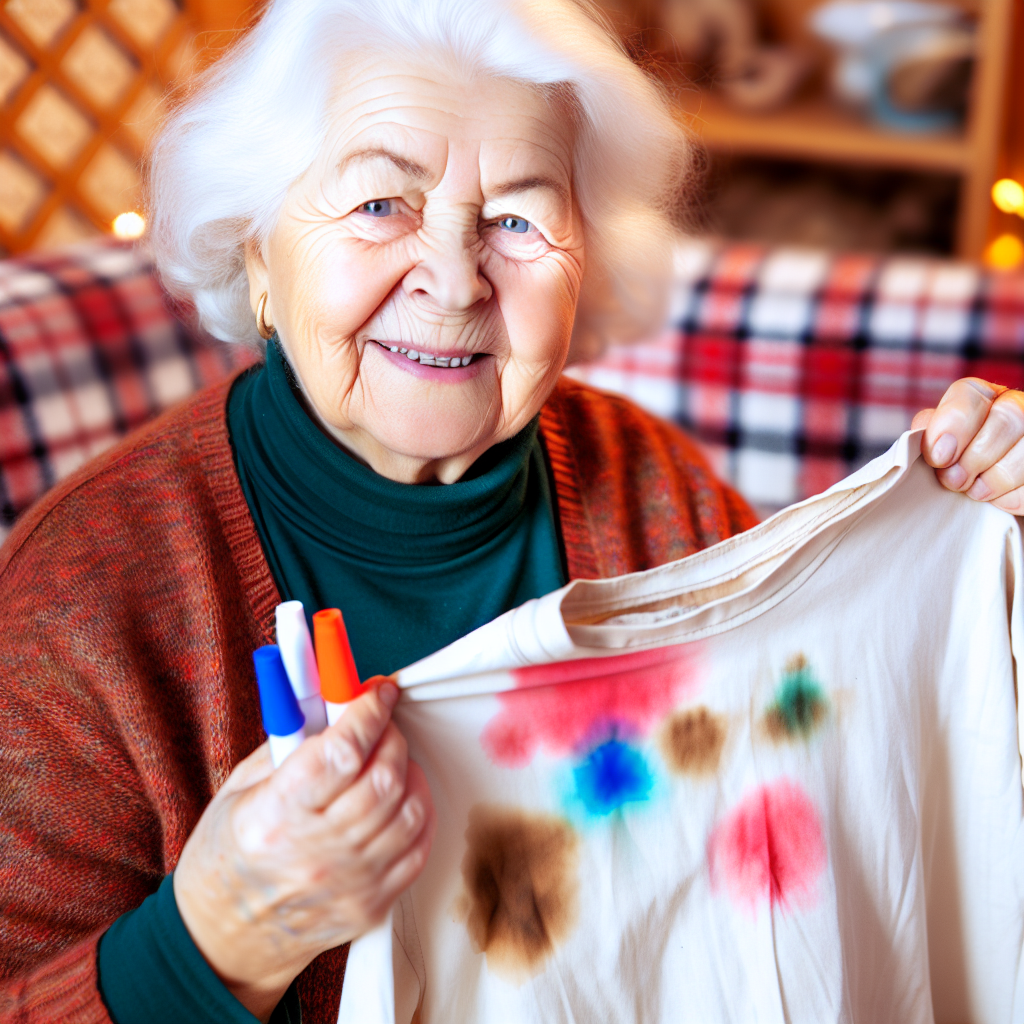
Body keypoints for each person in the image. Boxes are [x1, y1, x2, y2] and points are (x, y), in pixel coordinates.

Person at [1, 1, 1022, 1022]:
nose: (452, 282)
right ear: (257, 249)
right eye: (378, 206)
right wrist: (218, 937)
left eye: (515, 220)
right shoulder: (84, 603)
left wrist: (990, 536)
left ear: (591, 264)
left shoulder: (654, 490)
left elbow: (858, 766)